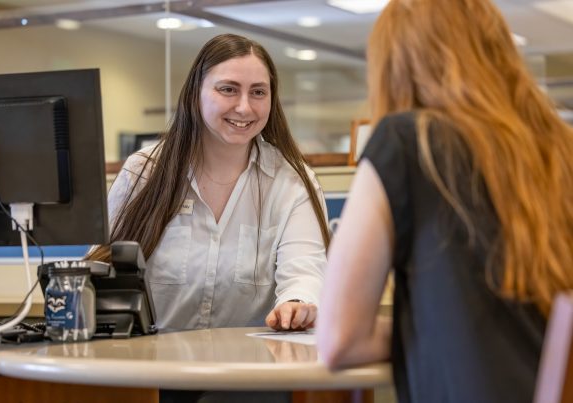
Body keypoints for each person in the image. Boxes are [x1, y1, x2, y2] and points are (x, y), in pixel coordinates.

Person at [317, 1, 573, 403]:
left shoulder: (407, 142)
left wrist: (432, 324)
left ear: (395, 67)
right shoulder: (561, 151)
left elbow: (340, 338)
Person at [88, 33, 329, 335]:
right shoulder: (144, 172)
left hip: (249, 371)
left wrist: (297, 302)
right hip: (150, 367)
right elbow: (100, 269)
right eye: (228, 89)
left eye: (258, 92)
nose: (244, 107)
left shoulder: (292, 182)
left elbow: (305, 270)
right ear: (195, 93)